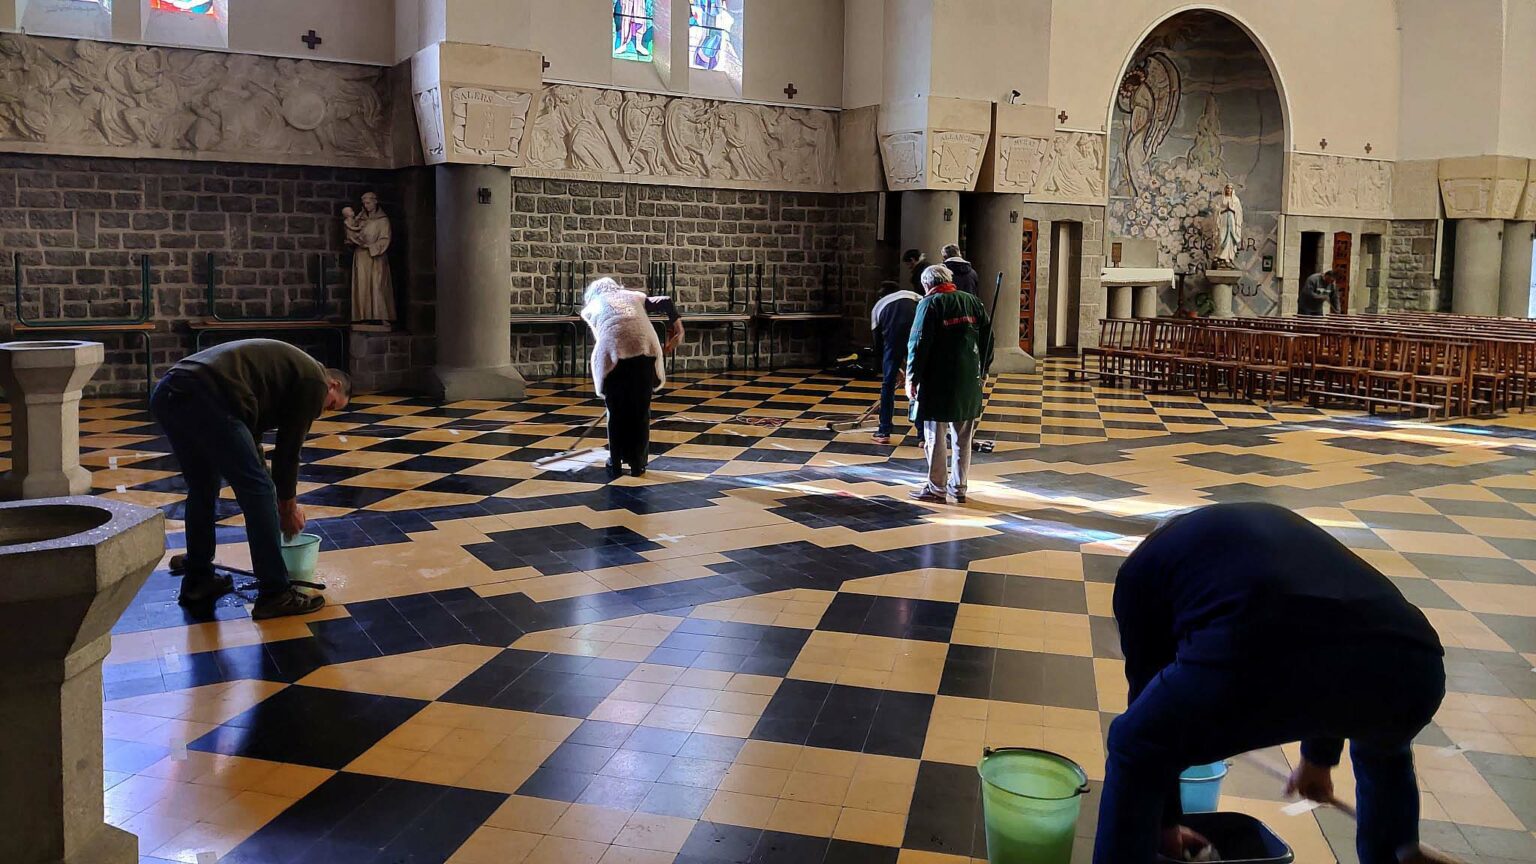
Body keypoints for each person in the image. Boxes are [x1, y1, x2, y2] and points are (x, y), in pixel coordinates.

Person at [1096, 502, 1456, 864]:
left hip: (1260, 652)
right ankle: (1396, 853)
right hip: (1413, 668)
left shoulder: (1140, 574)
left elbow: (1147, 694)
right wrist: (1318, 759)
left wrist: (1164, 824)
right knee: (1384, 747)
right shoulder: (1269, 531)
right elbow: (1332, 630)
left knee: (1134, 746)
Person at [150, 339, 351, 619]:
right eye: (331, 406)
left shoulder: (280, 376)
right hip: (209, 395)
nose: (322, 412)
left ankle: (198, 578)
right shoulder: (314, 380)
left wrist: (273, 492)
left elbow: (251, 442)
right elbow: (288, 452)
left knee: (203, 487)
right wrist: (287, 508)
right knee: (259, 492)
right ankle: (275, 593)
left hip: (171, 392)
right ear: (334, 386)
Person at [906, 264, 993, 504]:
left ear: (927, 285)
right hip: (968, 381)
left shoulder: (930, 304)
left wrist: (912, 378)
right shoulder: (973, 302)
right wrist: (984, 369)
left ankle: (936, 488)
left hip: (937, 380)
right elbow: (988, 339)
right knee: (963, 438)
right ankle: (960, 487)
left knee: (935, 436)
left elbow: (918, 342)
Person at [580, 277, 682, 478]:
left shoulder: (591, 307)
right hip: (645, 350)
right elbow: (666, 301)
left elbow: (604, 334)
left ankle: (616, 461)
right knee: (640, 410)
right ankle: (638, 464)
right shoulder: (633, 296)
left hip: (614, 356)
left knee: (616, 411)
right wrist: (679, 328)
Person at [869, 279, 922, 445]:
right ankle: (923, 435)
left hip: (893, 343)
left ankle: (884, 430)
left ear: (881, 295)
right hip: (919, 337)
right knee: (920, 383)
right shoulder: (915, 296)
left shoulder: (879, 306)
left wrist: (894, 368)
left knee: (888, 385)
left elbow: (877, 344)